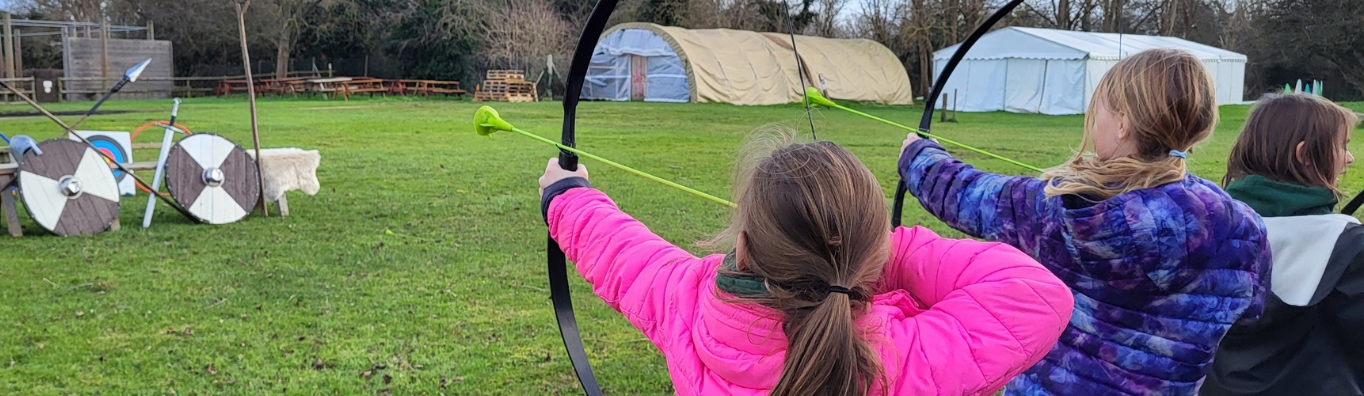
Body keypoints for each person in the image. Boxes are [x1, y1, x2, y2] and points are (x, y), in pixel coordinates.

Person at [538, 132, 1074, 396]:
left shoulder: (691, 303)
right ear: (873, 254)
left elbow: (627, 256)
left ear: (744, 242)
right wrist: (889, 252)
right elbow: (1033, 292)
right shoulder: (900, 360)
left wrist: (566, 196)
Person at [896, 48, 1271, 395]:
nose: (1095, 126)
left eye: (1101, 112)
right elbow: (1250, 312)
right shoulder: (1242, 228)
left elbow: (970, 196)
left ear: (1122, 124)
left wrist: (917, 154)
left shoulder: (1069, 213)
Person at [1203, 94, 1363, 395]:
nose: (1349, 158)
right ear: (1304, 154)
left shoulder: (1203, 226)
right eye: (1343, 146)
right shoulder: (1347, 246)